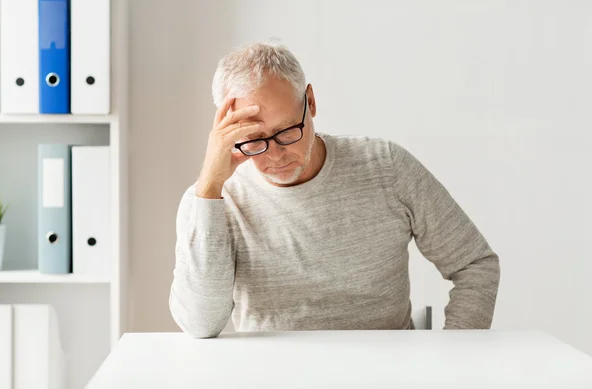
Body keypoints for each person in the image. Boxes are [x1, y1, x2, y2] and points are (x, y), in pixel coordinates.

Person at [169, 41, 500, 338]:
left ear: (310, 102)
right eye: (255, 139)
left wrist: (458, 355)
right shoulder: (212, 202)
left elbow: (475, 264)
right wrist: (210, 188)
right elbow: (201, 324)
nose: (275, 154)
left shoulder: (387, 166)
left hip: (386, 374)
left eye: (287, 131)